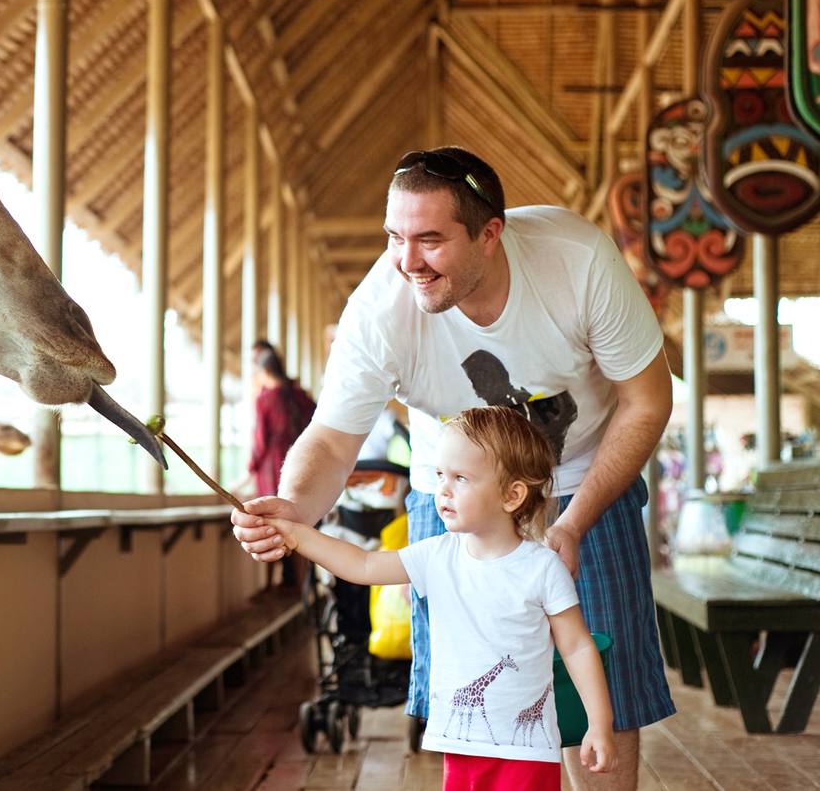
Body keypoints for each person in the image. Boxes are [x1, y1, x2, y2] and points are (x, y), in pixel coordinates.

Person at [231, 147, 673, 790]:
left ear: (490, 234)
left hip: (584, 476)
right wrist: (294, 509)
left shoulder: (576, 261)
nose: (407, 261)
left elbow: (647, 400)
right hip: (455, 498)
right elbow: (330, 439)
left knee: (603, 681)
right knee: (471, 690)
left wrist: (572, 525)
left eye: (431, 240)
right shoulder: (381, 310)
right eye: (395, 237)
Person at [263, 407, 616, 789]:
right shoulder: (435, 555)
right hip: (459, 744)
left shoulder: (543, 568)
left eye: (460, 478)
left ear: (512, 495)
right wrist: (296, 534)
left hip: (526, 751)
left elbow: (578, 648)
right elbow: (362, 565)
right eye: (439, 476)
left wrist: (600, 724)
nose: (443, 490)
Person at [247, 343, 315, 587]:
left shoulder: (265, 399)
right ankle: (300, 587)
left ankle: (271, 586)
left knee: (266, 526)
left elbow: (259, 441)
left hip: (270, 473)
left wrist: (251, 467)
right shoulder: (299, 396)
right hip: (300, 468)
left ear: (263, 372)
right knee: (296, 526)